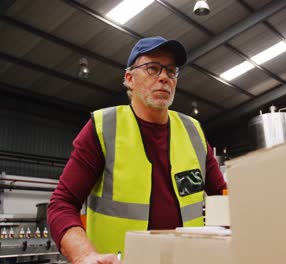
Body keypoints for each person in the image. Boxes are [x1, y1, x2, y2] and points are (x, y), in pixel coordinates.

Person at [48, 36, 227, 264]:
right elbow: (62, 204)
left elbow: (223, 198)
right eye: (152, 68)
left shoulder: (194, 132)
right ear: (129, 78)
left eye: (171, 71)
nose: (164, 77)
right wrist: (85, 255)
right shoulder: (104, 128)